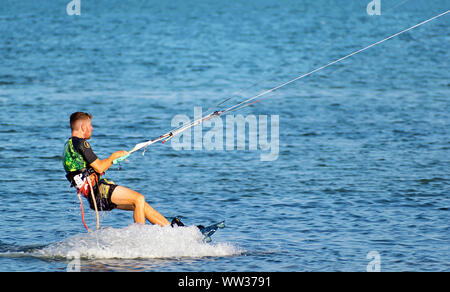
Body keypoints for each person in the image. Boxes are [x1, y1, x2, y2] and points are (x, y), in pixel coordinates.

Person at [62, 112, 182, 227]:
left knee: (141, 205)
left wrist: (113, 160)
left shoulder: (68, 146)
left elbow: (88, 170)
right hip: (98, 191)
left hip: (93, 194)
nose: (92, 128)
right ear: (83, 127)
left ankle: (171, 229)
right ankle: (141, 238)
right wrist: (114, 156)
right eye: (90, 125)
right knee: (138, 199)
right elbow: (99, 167)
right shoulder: (81, 143)